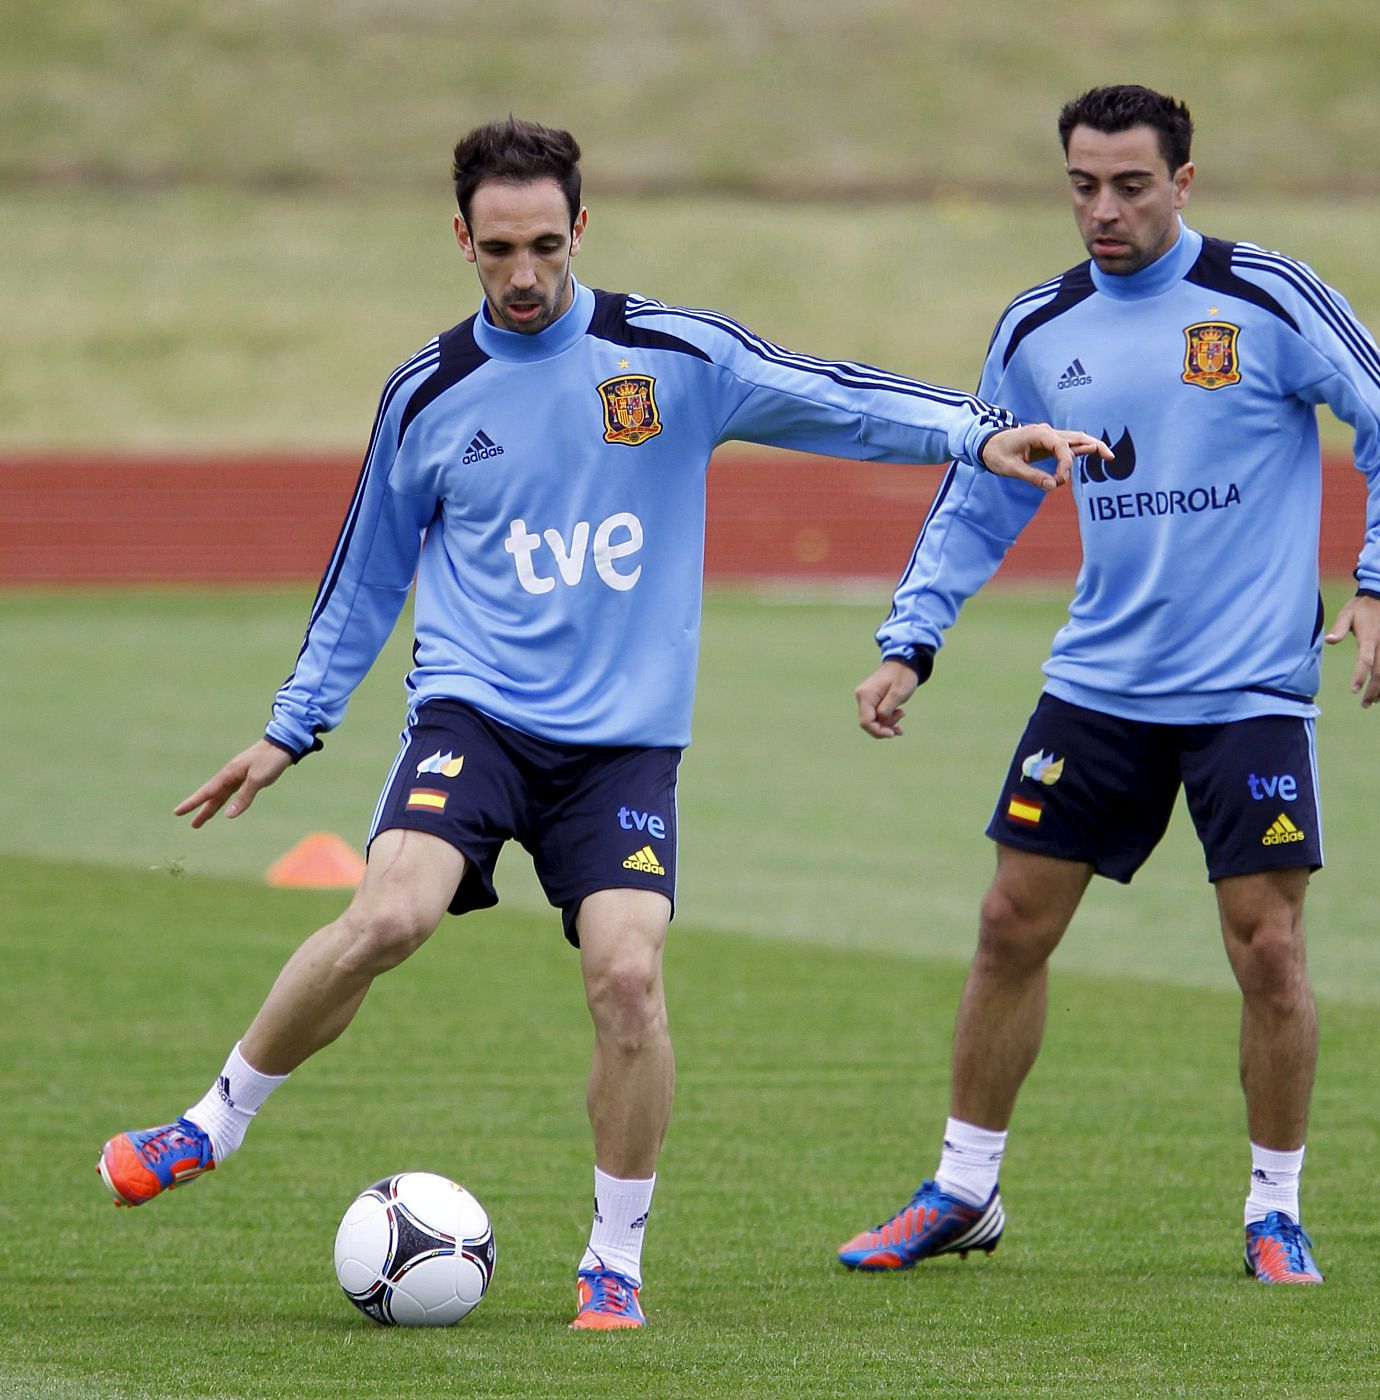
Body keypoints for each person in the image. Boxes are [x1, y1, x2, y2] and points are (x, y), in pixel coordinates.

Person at [94, 117, 1106, 1330]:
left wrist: (973, 430)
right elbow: (363, 576)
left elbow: (829, 397)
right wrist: (291, 726)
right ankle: (209, 1124)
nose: (522, 276)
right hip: (475, 716)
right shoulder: (428, 395)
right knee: (388, 914)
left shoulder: (668, 356)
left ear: (581, 229)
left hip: (622, 744)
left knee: (627, 978)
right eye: (496, 249)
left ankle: (612, 1258)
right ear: (460, 239)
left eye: (543, 246)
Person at [835, 85, 1380, 1285]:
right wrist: (911, 637)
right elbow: (985, 489)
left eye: (1128, 185)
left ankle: (1274, 1209)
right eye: (1080, 185)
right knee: (1010, 923)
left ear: (1183, 181)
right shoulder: (1038, 327)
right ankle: (963, 1188)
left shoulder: (1265, 296)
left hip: (1247, 688)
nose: (1102, 210)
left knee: (1266, 945)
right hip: (1100, 682)